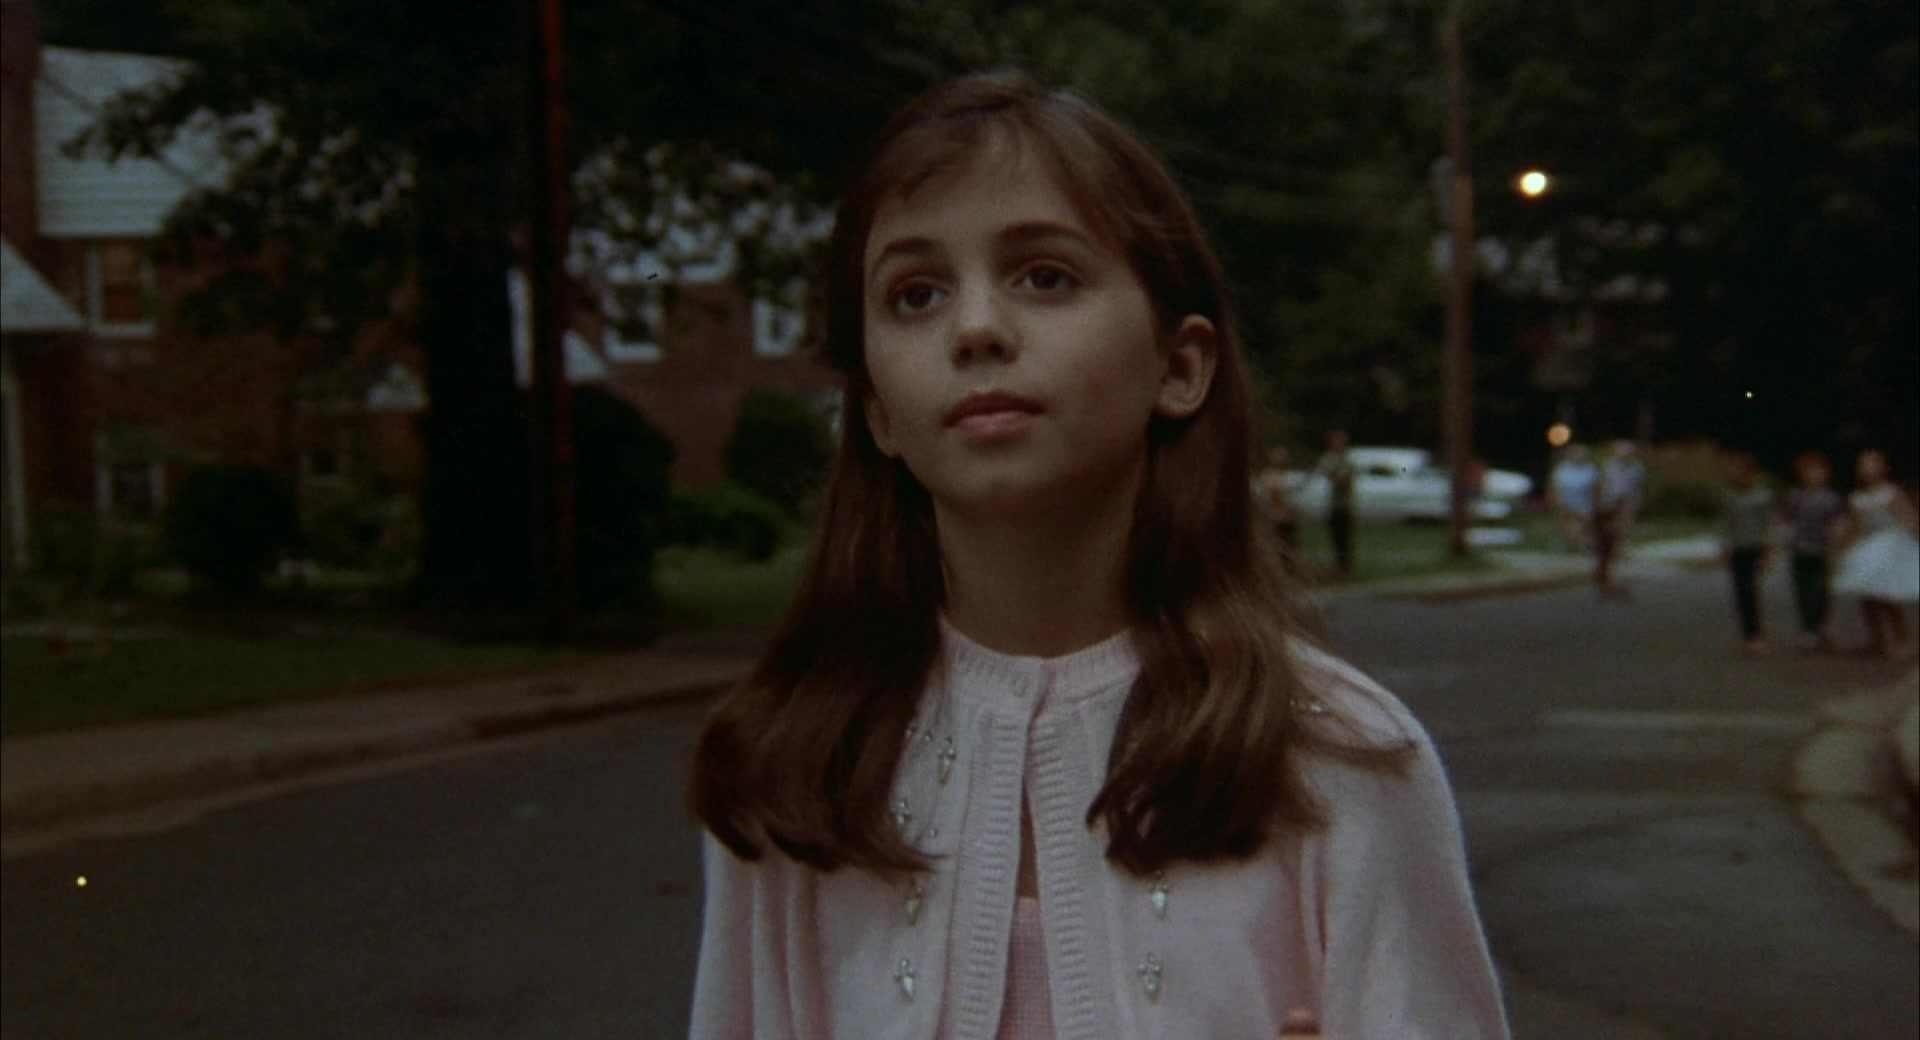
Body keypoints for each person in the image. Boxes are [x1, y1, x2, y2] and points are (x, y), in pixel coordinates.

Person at [686, 71, 1509, 1040]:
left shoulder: (1338, 766)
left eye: (1045, 277)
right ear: (877, 411)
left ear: (1179, 365)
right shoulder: (796, 775)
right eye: (916, 294)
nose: (976, 329)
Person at [1831, 448, 1920, 660]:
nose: (1867, 469)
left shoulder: (1891, 493)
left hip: (1888, 545)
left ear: (1884, 468)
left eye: (1872, 464)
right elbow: (1856, 526)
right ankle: (1876, 638)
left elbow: (1908, 516)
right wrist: (1844, 543)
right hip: (1866, 547)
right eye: (1863, 464)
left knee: (1886, 595)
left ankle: (1901, 638)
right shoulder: (1857, 498)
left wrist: (1904, 530)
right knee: (1867, 596)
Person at [1781, 451, 1845, 652]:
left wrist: (1836, 545)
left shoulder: (1831, 499)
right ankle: (1808, 629)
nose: (1813, 475)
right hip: (1800, 550)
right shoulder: (1795, 496)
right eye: (1809, 471)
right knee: (1803, 591)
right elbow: (1786, 519)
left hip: (1822, 550)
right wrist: (1785, 537)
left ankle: (1820, 626)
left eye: (1818, 471)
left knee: (1821, 591)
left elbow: (1836, 523)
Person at [1718, 452, 1776, 656]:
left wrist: (1768, 551)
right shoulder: (1729, 497)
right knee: (1740, 592)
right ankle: (1747, 634)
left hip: (1755, 547)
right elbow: (1726, 525)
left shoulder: (1763, 497)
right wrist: (1725, 549)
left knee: (1751, 591)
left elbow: (1768, 526)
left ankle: (1756, 634)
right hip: (1737, 548)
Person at [1593, 439, 1645, 597]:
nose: (1625, 455)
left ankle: (1610, 578)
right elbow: (1602, 487)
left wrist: (1632, 508)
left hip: (1625, 506)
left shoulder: (1636, 469)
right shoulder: (1608, 467)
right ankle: (1606, 577)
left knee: (1619, 538)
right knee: (1607, 542)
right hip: (1609, 507)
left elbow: (1636, 490)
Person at [1315, 429, 1358, 579]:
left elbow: (1345, 481)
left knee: (1344, 540)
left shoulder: (1346, 461)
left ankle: (1347, 570)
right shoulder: (1331, 459)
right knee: (1336, 539)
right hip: (1334, 505)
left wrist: (1332, 476)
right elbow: (1322, 470)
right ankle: (1338, 569)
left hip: (1344, 506)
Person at [1255, 445, 1301, 570]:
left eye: (1283, 456)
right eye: (1278, 456)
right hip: (1275, 516)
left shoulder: (1291, 476)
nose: (1281, 459)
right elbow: (1267, 497)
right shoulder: (1268, 476)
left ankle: (1290, 568)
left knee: (1290, 544)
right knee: (1278, 545)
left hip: (1289, 517)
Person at [1548, 445, 1599, 553]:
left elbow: (1596, 489)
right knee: (1570, 521)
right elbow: (1556, 488)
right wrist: (1559, 503)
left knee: (1584, 521)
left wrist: (1595, 505)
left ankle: (1580, 543)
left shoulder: (1590, 470)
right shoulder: (1562, 469)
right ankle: (1583, 544)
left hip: (1585, 505)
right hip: (1566, 504)